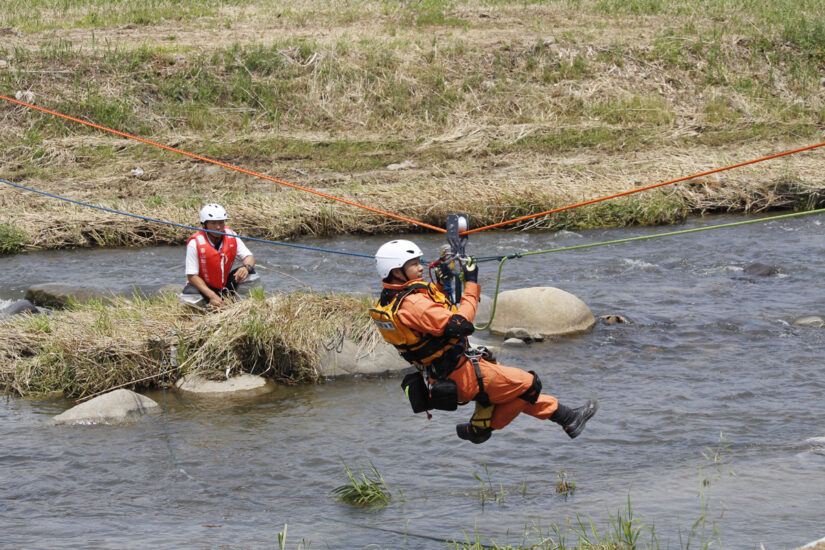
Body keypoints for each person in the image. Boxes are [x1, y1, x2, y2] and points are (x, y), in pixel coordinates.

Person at [370, 239, 598, 444]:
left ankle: (568, 418)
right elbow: (460, 325)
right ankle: (479, 428)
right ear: (396, 270)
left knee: (512, 391)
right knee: (528, 384)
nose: (421, 267)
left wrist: (441, 285)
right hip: (461, 373)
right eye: (414, 263)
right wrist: (471, 282)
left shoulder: (393, 298)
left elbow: (431, 321)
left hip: (448, 369)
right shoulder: (413, 304)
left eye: (420, 261)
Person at [182, 203, 256, 308]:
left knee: (252, 274)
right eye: (213, 223)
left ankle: (241, 306)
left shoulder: (231, 235)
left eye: (221, 223)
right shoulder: (194, 243)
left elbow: (249, 257)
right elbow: (192, 276)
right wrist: (212, 295)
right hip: (204, 288)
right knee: (189, 295)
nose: (218, 227)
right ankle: (202, 311)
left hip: (225, 285)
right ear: (205, 224)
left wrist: (246, 268)